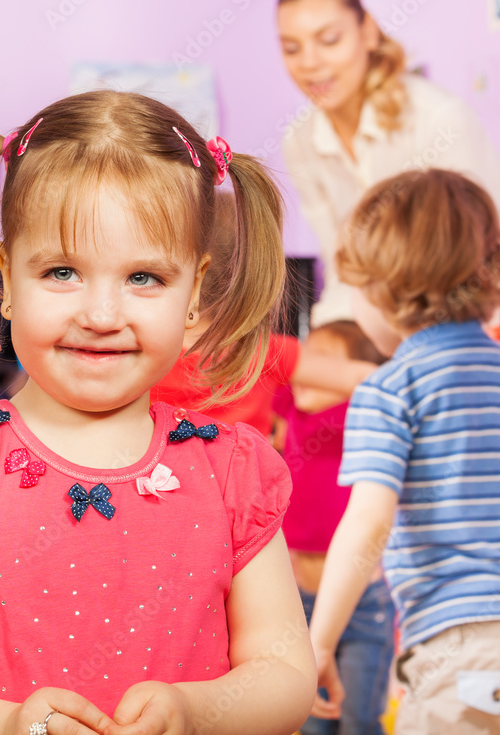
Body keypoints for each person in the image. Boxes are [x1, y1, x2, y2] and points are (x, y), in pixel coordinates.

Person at [0, 91, 316, 735]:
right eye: (62, 271)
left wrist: (196, 712)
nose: (100, 315)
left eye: (144, 278)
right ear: (6, 279)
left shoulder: (233, 472)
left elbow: (285, 674)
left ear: (196, 291)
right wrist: (7, 725)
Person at [306, 169, 500, 733]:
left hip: (456, 643)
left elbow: (368, 525)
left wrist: (319, 643)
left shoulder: (390, 389)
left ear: (378, 289)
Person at [277, 0, 500, 327]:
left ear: (367, 32)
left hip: (462, 314)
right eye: (292, 48)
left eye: (329, 40)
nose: (310, 63)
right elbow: (341, 270)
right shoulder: (299, 142)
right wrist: (326, 331)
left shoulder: (439, 120)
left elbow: (483, 253)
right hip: (374, 319)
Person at [151, 192, 378, 437]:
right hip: (247, 474)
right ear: (253, 276)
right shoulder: (262, 351)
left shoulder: (149, 351)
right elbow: (361, 378)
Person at [273, 321, 394, 735]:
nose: (311, 369)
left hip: (362, 604)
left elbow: (376, 387)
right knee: (308, 721)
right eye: (310, 357)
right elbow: (275, 366)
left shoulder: (360, 417)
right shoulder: (291, 410)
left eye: (325, 363)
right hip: (300, 601)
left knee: (360, 718)